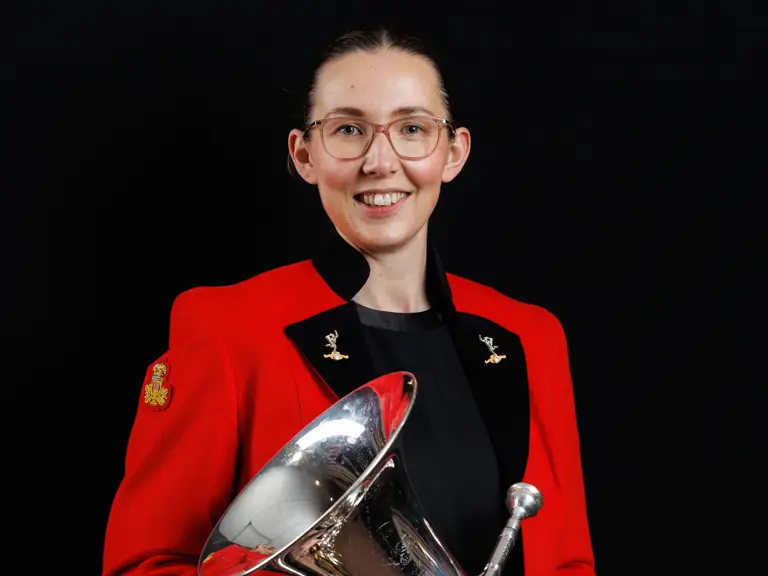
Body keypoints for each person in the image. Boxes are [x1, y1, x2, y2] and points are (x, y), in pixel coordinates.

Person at [102, 28, 595, 576]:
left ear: (453, 154)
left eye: (412, 128)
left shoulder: (531, 335)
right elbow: (144, 564)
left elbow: (568, 561)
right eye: (348, 129)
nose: (380, 161)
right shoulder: (225, 329)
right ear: (304, 154)